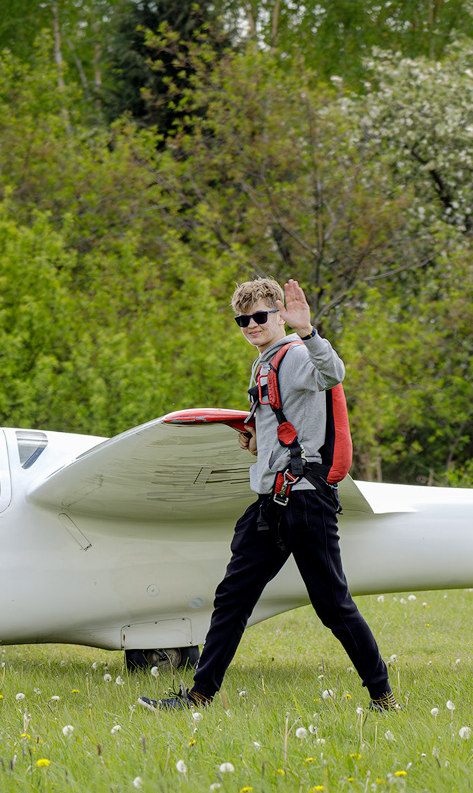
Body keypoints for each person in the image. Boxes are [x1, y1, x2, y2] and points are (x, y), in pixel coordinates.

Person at [139, 277, 395, 711]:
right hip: (271, 503)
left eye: (260, 316)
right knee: (233, 596)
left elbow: (331, 374)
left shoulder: (295, 354)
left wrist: (307, 331)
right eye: (243, 320)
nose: (252, 325)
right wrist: (258, 441)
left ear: (280, 315)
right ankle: (199, 696)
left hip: (305, 500)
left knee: (332, 606)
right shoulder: (263, 363)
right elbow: (285, 423)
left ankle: (382, 696)